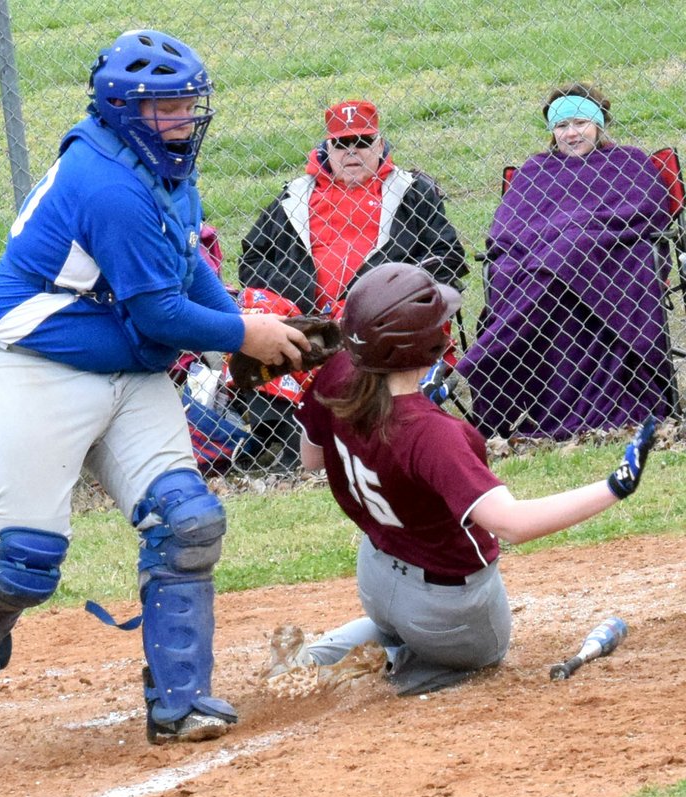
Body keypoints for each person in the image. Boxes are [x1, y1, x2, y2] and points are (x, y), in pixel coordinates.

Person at [0, 29, 312, 744]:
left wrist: (236, 327)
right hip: (31, 366)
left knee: (188, 522)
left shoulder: (160, 165)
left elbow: (188, 260)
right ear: (123, 110)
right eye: (168, 106)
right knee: (24, 565)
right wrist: (246, 334)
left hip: (126, 368)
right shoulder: (106, 184)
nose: (185, 119)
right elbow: (161, 313)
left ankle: (181, 702)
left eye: (189, 103)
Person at [263, 262, 656, 697]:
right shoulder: (436, 435)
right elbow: (512, 524)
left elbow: (312, 458)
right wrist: (614, 487)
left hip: (375, 575)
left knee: (390, 623)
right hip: (446, 610)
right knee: (483, 655)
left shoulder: (336, 375)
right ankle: (390, 667)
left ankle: (318, 657)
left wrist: (405, 404)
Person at [234, 99, 468, 469]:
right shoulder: (295, 196)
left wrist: (390, 292)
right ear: (326, 148)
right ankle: (285, 434)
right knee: (256, 306)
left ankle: (356, 434)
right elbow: (252, 258)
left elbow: (447, 255)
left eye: (362, 141)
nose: (352, 151)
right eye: (342, 143)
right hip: (305, 314)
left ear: (380, 144)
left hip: (379, 311)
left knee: (369, 317)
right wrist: (295, 297)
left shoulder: (410, 191)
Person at [456, 82, 675, 439]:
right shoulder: (535, 171)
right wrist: (555, 240)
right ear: (551, 131)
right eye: (561, 126)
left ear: (599, 123)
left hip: (611, 256)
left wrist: (579, 234)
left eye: (579, 123)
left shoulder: (629, 161)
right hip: (538, 260)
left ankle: (488, 356)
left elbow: (649, 211)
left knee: (568, 251)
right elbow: (507, 229)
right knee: (527, 265)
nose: (571, 133)